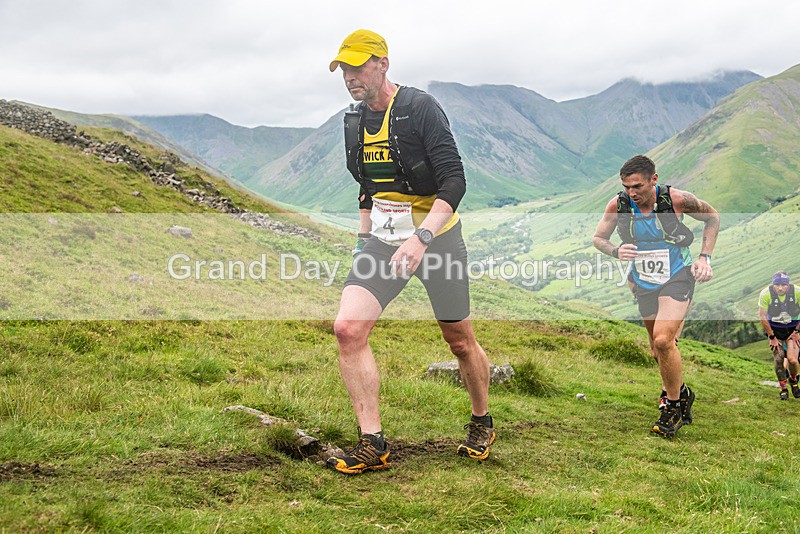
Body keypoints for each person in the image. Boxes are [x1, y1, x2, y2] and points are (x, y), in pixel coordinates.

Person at [326, 29, 494, 474]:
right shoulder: (353, 121)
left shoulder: (419, 108)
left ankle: (481, 420)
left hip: (437, 240)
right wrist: (363, 240)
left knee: (459, 340)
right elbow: (367, 187)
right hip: (383, 241)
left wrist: (422, 239)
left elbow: (454, 181)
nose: (349, 76)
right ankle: (372, 442)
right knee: (347, 329)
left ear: (382, 63)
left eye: (357, 66)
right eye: (344, 69)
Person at [593, 154, 720, 438]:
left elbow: (712, 217)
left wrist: (705, 257)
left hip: (678, 275)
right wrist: (616, 250)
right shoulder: (618, 205)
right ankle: (682, 392)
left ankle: (672, 408)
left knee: (664, 340)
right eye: (626, 187)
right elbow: (599, 238)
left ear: (654, 179)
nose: (632, 193)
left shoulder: (677, 200)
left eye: (637, 186)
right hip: (644, 281)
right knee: (657, 350)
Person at [758, 271, 800, 400]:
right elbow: (762, 317)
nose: (780, 288)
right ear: (773, 284)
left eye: (784, 285)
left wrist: (797, 331)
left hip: (793, 330)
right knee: (779, 359)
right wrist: (772, 337)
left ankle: (793, 379)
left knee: (793, 360)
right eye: (777, 285)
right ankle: (783, 388)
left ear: (788, 284)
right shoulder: (766, 294)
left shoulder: (797, 292)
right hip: (775, 331)